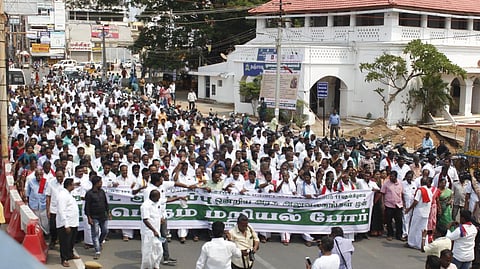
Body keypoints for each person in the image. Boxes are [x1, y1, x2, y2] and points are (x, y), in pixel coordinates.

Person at [56, 178, 80, 267]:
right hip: (66, 224)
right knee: (65, 242)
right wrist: (66, 224)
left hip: (73, 222)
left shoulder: (69, 194)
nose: (74, 186)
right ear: (69, 185)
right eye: (73, 184)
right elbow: (61, 211)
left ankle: (70, 254)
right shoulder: (62, 195)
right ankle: (64, 259)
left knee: (71, 241)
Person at [84, 176, 110, 260]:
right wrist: (89, 217)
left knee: (105, 231)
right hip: (94, 217)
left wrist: (108, 212)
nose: (101, 184)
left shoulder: (102, 192)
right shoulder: (89, 194)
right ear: (96, 183)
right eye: (100, 182)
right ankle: (97, 251)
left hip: (103, 216)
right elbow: (87, 207)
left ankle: (99, 242)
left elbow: (106, 203)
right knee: (95, 234)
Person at [405, 177, 432, 250]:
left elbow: (416, 201)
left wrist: (409, 209)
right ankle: (421, 244)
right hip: (426, 213)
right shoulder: (429, 191)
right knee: (423, 228)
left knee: (414, 227)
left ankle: (411, 243)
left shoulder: (420, 190)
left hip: (419, 212)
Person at [140, 189, 163, 269]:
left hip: (157, 231)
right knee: (148, 252)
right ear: (153, 197)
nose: (159, 199)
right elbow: (145, 220)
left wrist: (161, 218)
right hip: (148, 232)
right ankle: (146, 267)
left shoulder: (157, 203)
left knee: (159, 250)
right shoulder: (145, 206)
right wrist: (153, 230)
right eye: (158, 197)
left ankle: (156, 265)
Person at [380, 170, 404, 241]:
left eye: (392, 177)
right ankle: (390, 234)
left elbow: (402, 194)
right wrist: (382, 204)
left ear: (396, 177)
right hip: (389, 205)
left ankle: (399, 235)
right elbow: (382, 194)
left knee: (399, 221)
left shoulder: (400, 183)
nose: (390, 178)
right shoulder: (386, 183)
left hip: (398, 205)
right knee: (389, 221)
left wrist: (403, 203)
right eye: (390, 176)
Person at [25, 167, 49, 234]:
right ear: (35, 175)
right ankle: (39, 233)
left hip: (43, 205)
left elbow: (47, 194)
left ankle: (46, 233)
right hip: (34, 204)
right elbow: (28, 193)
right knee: (37, 221)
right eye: (38, 175)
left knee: (45, 221)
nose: (39, 176)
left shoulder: (45, 182)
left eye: (41, 175)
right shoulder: (31, 182)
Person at [45, 169, 65, 249]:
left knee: (63, 228)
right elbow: (48, 196)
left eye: (60, 176)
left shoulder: (67, 183)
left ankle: (62, 243)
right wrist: (48, 210)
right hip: (53, 209)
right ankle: (53, 240)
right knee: (53, 227)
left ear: (64, 175)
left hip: (64, 210)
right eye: (57, 177)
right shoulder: (51, 183)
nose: (59, 178)